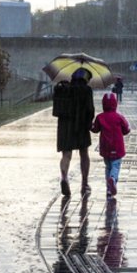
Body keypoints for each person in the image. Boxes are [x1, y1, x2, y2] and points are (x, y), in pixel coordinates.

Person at [57, 67, 95, 196]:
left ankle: (64, 177)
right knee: (84, 154)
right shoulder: (87, 90)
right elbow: (90, 110)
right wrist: (90, 124)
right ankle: (84, 183)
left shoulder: (64, 89)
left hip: (65, 127)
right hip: (81, 126)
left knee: (66, 155)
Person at [91, 92, 130, 198]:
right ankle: (113, 179)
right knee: (115, 166)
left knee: (108, 166)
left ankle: (109, 189)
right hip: (117, 147)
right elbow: (126, 130)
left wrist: (90, 125)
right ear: (115, 104)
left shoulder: (100, 117)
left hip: (105, 147)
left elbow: (95, 129)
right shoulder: (119, 117)